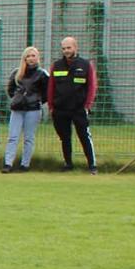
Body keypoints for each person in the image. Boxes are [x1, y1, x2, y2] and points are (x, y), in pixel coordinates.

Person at [48, 36, 98, 173]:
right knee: (65, 138)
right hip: (60, 109)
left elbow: (92, 87)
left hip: (79, 109)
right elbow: (51, 87)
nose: (66, 51)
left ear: (75, 47)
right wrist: (51, 106)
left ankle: (92, 165)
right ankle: (68, 164)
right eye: (63, 48)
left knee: (84, 136)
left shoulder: (86, 65)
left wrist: (87, 106)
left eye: (68, 48)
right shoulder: (56, 65)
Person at [2, 46, 47, 173]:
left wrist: (36, 100)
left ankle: (25, 164)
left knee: (29, 137)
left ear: (38, 57)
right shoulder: (17, 73)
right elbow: (10, 89)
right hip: (17, 109)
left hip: (33, 110)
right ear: (24, 58)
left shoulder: (42, 74)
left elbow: (47, 92)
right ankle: (8, 163)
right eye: (28, 56)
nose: (31, 58)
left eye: (33, 56)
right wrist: (18, 99)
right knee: (13, 136)